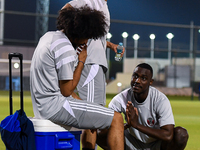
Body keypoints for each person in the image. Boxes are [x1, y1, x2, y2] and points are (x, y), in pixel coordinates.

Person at [30, 6, 124, 150]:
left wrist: (90, 112)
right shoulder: (65, 48)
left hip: (42, 105)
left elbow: (60, 87)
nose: (86, 42)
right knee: (116, 119)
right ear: (78, 33)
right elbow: (66, 90)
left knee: (95, 116)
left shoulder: (49, 36)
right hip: (56, 107)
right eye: (86, 36)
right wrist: (81, 60)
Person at [62, 1, 125, 149]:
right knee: (90, 118)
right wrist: (73, 42)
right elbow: (65, 12)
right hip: (89, 63)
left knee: (95, 118)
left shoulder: (103, 3)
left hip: (97, 64)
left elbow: (96, 37)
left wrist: (110, 45)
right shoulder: (90, 0)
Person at [97, 63, 189, 150]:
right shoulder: (120, 99)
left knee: (181, 134)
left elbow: (168, 135)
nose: (137, 81)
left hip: (156, 144)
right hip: (131, 142)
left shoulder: (160, 99)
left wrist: (136, 125)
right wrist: (126, 125)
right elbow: (102, 131)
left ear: (150, 82)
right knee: (94, 131)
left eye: (143, 78)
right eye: (135, 76)